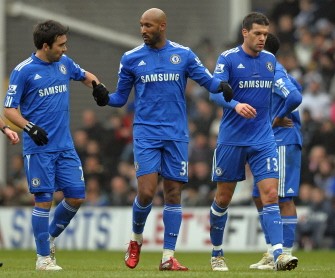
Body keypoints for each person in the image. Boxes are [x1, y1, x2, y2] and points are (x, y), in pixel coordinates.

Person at [91, 8, 233, 271]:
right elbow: (120, 98)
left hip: (176, 135)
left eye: (148, 26)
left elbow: (209, 82)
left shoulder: (184, 55)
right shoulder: (131, 58)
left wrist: (222, 85)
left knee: (173, 193)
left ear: (162, 26)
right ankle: (135, 240)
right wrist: (104, 98)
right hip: (146, 133)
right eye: (141, 25)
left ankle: (168, 256)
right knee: (145, 192)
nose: (143, 30)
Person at [3, 20, 101, 271]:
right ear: (46, 46)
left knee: (77, 196)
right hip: (39, 148)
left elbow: (85, 75)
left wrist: (98, 87)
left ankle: (49, 237)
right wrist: (29, 127)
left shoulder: (64, 64)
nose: (65, 49)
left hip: (65, 146)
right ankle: (43, 259)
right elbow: (9, 110)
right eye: (61, 45)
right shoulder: (23, 71)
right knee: (43, 200)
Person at [208, 12, 298, 271]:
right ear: (245, 32)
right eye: (257, 33)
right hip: (232, 140)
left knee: (270, 195)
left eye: (265, 35)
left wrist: (276, 118)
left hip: (263, 139)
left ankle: (278, 253)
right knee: (223, 198)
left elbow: (291, 95)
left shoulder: (270, 61)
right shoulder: (228, 58)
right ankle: (217, 253)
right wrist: (235, 105)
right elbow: (215, 93)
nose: (262, 38)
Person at [249, 33, 303, 270]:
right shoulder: (264, 71)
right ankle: (273, 250)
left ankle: (285, 253)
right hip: (268, 142)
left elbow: (294, 96)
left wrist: (277, 118)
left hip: (283, 140)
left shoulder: (274, 70)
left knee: (283, 197)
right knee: (258, 195)